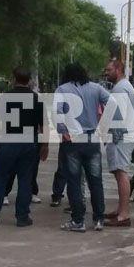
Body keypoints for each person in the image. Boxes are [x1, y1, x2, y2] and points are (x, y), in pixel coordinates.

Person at [0, 67, 47, 227]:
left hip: (8, 140)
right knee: (25, 180)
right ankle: (22, 216)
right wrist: (44, 145)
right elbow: (43, 125)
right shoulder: (36, 99)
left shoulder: (6, 97)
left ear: (14, 79)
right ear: (29, 81)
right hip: (28, 143)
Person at [55, 62, 110, 232]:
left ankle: (78, 221)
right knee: (96, 181)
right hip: (92, 139)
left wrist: (63, 131)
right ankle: (99, 219)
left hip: (71, 141)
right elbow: (113, 103)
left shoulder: (62, 90)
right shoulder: (96, 88)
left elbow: (57, 113)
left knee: (74, 181)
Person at [102, 58, 134, 227]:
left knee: (121, 173)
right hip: (126, 135)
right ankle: (120, 210)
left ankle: (123, 215)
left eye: (109, 70)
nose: (106, 73)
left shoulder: (120, 89)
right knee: (119, 173)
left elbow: (118, 117)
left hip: (121, 137)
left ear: (118, 69)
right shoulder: (125, 86)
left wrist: (110, 137)